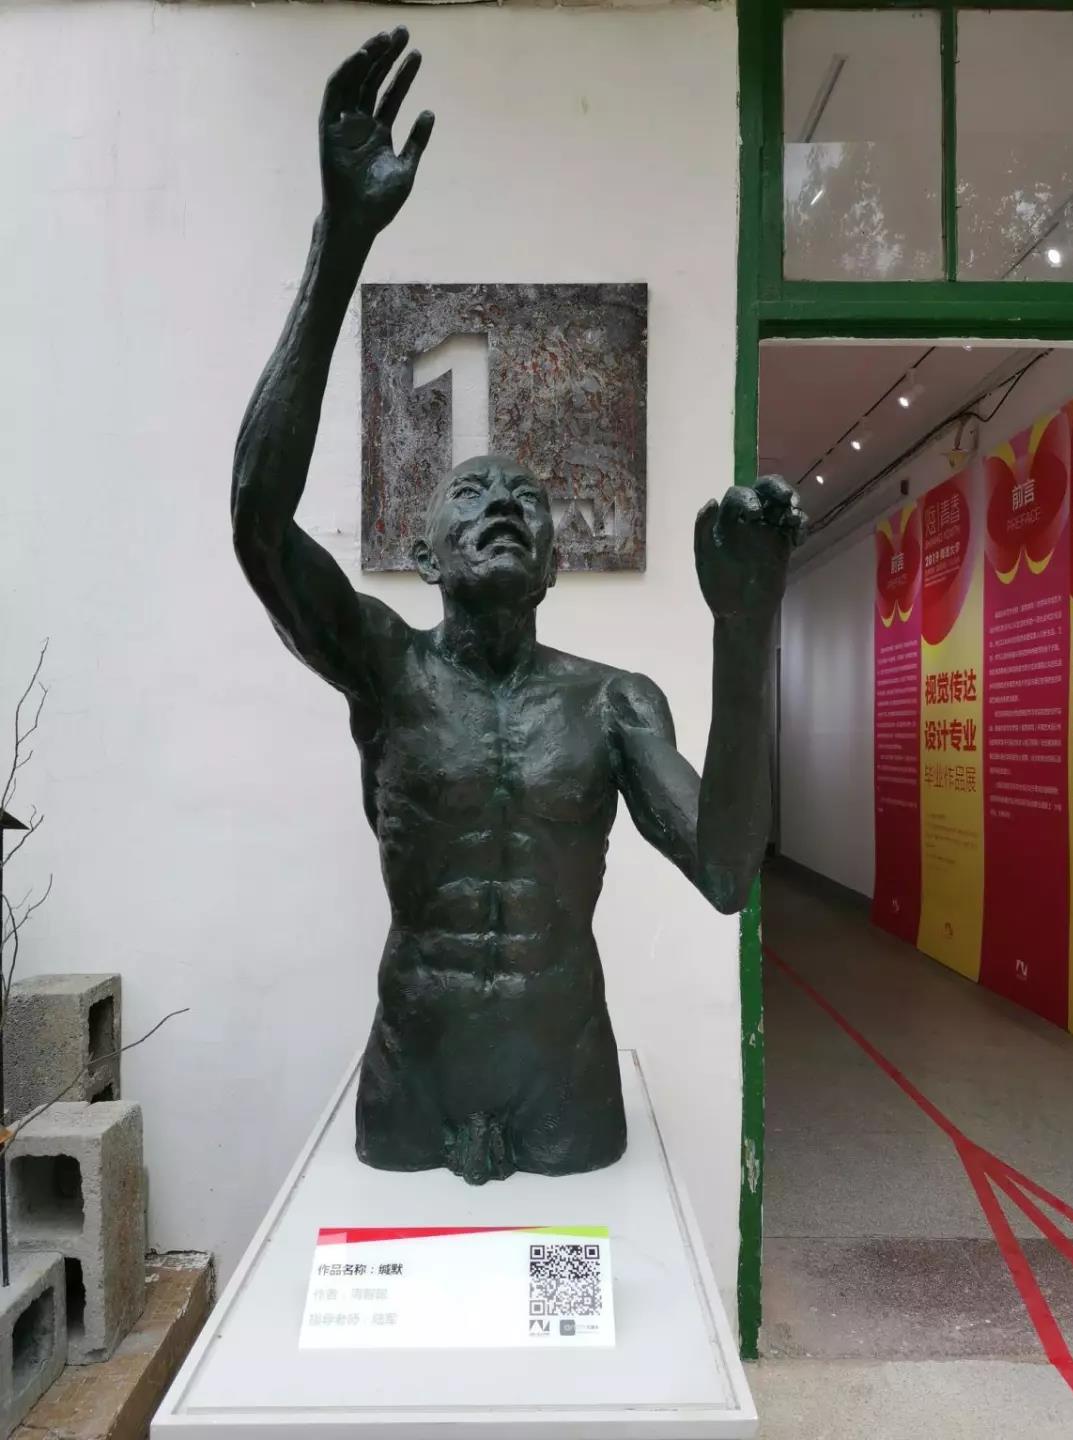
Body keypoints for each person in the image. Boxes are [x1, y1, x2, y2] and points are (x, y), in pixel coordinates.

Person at [231, 28, 806, 1185]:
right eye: (472, 496)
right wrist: (341, 243)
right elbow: (257, 519)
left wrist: (744, 632)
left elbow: (728, 873)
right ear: (422, 553)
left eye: (527, 503)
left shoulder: (612, 705)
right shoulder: (386, 668)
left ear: (553, 564)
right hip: (415, 1070)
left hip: (566, 1078)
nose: (502, 505)